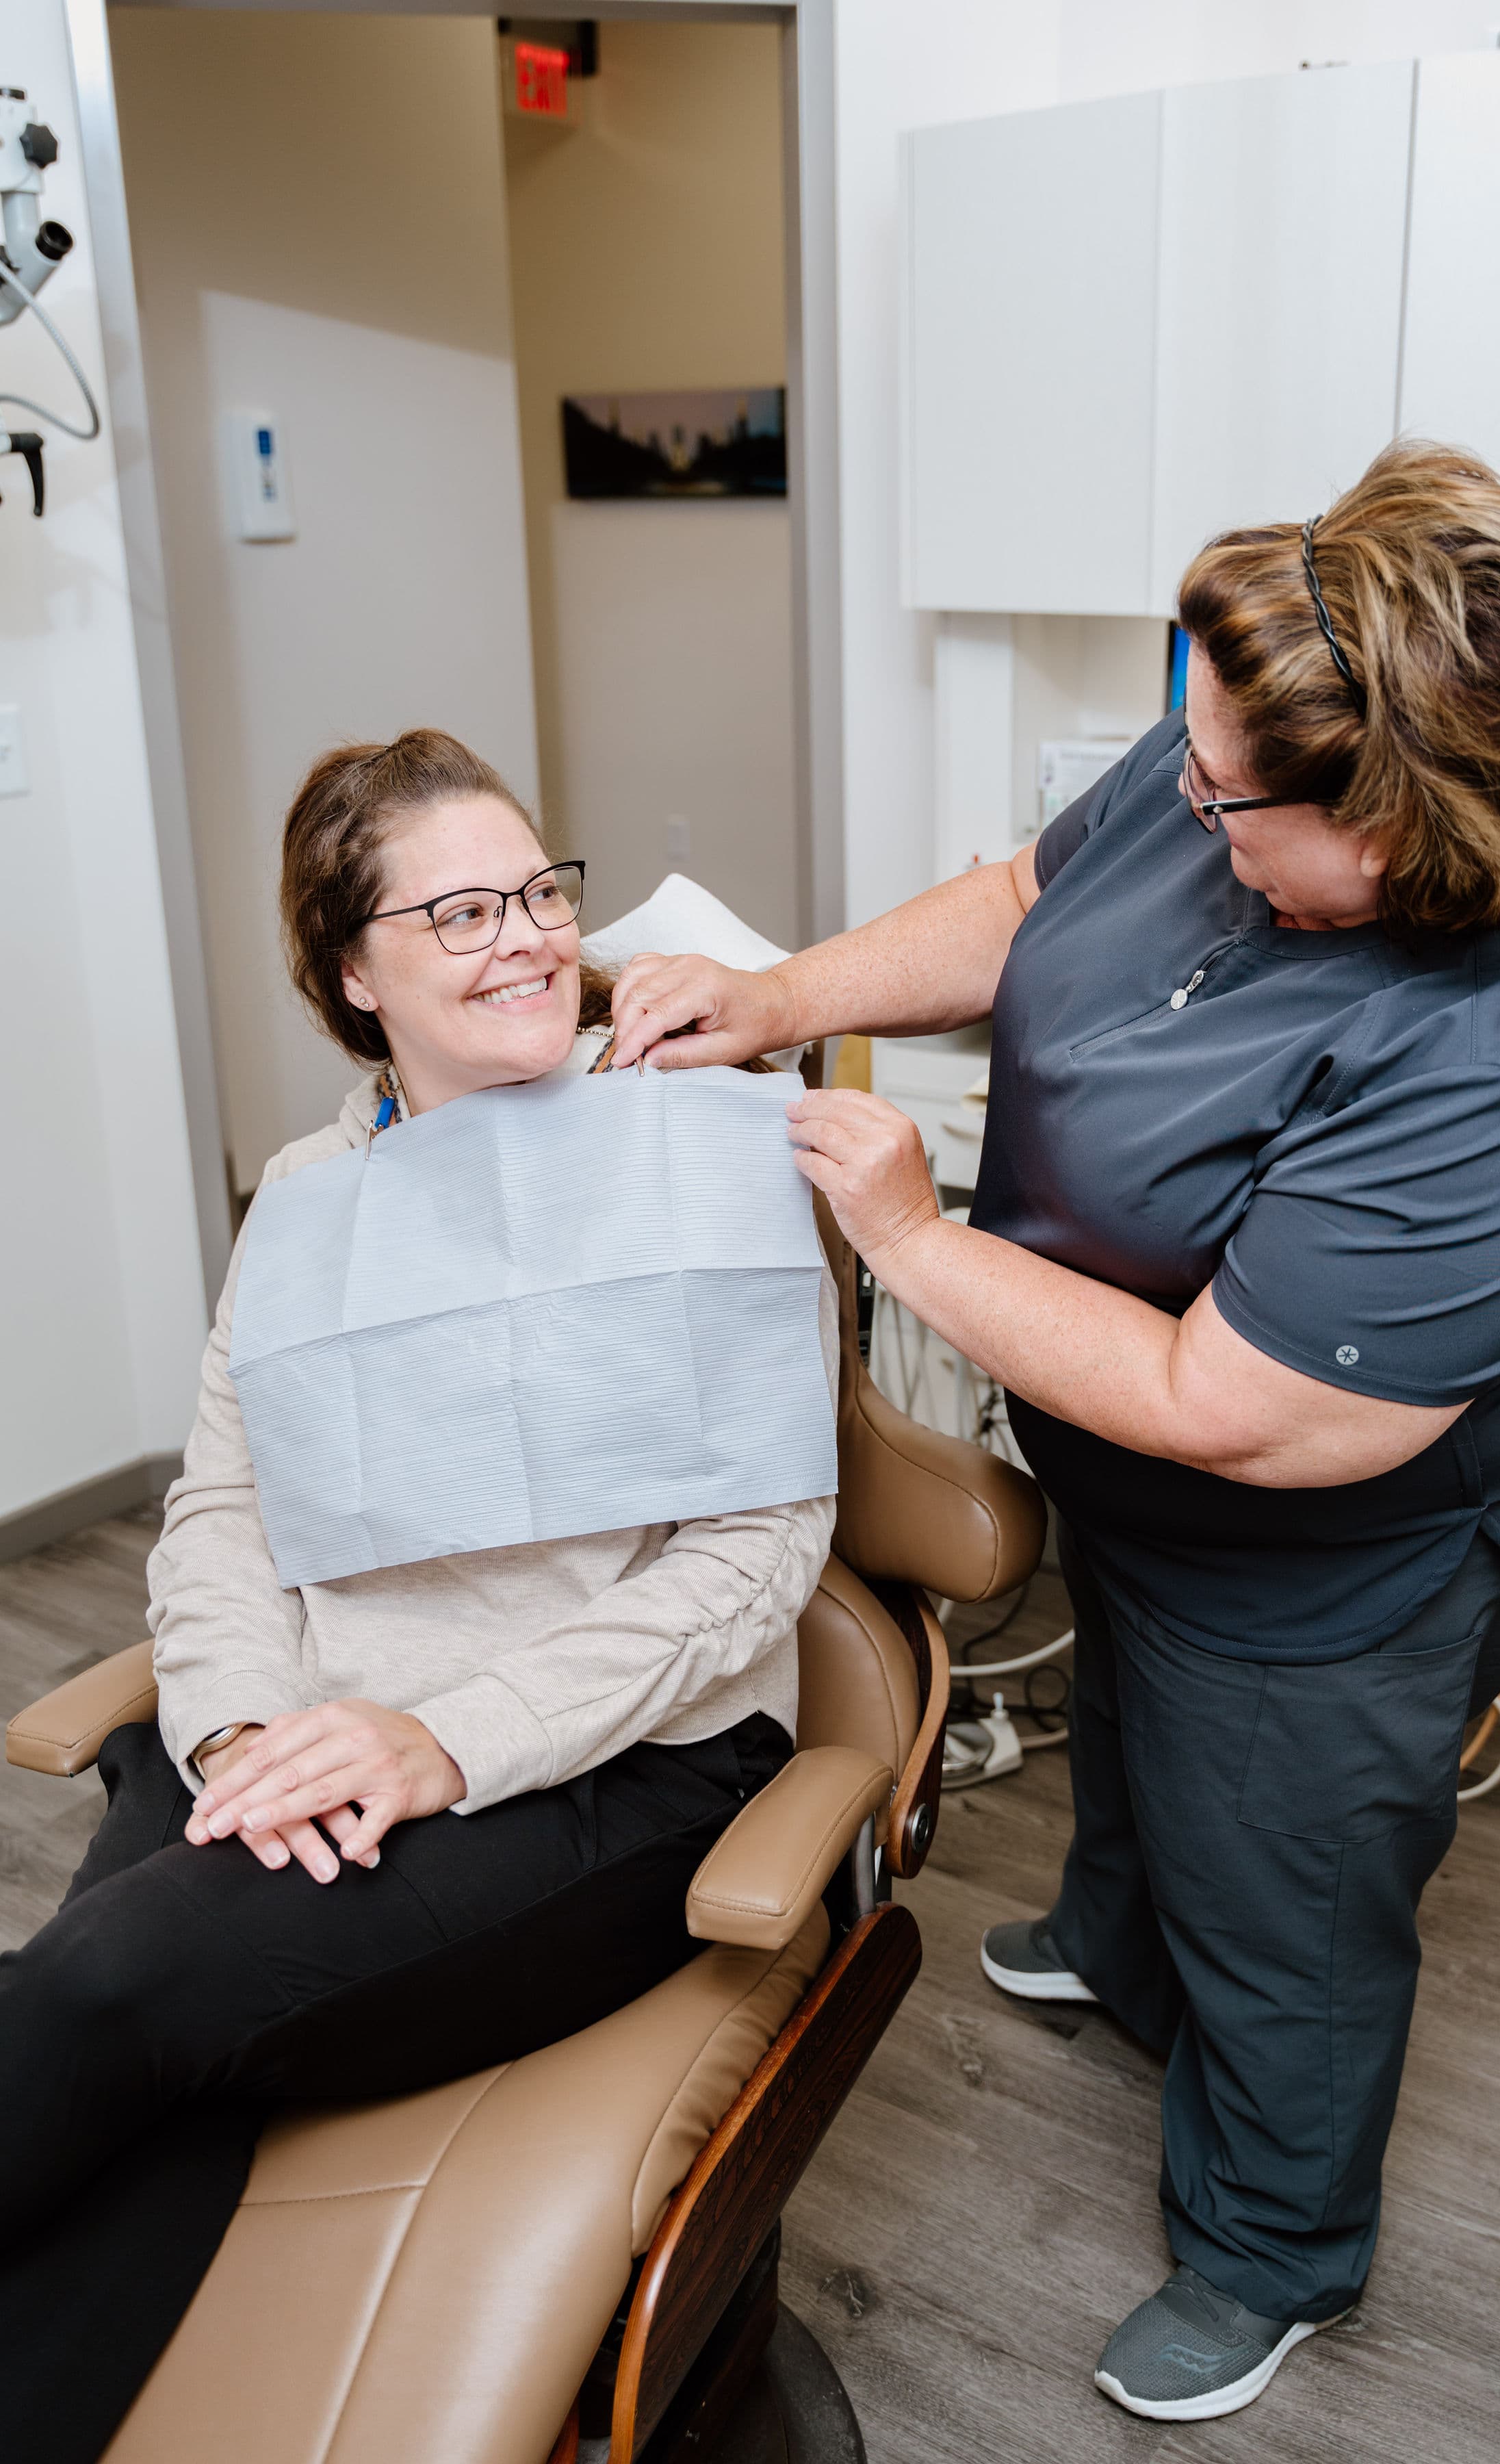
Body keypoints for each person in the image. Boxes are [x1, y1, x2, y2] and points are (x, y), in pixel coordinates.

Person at [606, 442, 1500, 2422]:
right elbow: (1026, 897)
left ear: (1409, 821)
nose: (1185, 800)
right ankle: (1114, 1943)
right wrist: (777, 995)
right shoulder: (1241, 740)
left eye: (1227, 796)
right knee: (1146, 1744)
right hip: (1134, 1460)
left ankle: (1275, 2247)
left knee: (1288, 1888)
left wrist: (907, 1236)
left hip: (1347, 1545)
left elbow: (1234, 1414)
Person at [0, 729, 837, 2463]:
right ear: (350, 974)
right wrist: (237, 1731)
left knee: (105, 1995)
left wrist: (438, 1742)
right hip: (294, 1728)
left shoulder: (702, 1146)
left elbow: (756, 1559)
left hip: (608, 1765)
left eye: (539, 890)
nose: (529, 936)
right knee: (127, 2023)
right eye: (458, 912)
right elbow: (223, 1507)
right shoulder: (313, 1204)